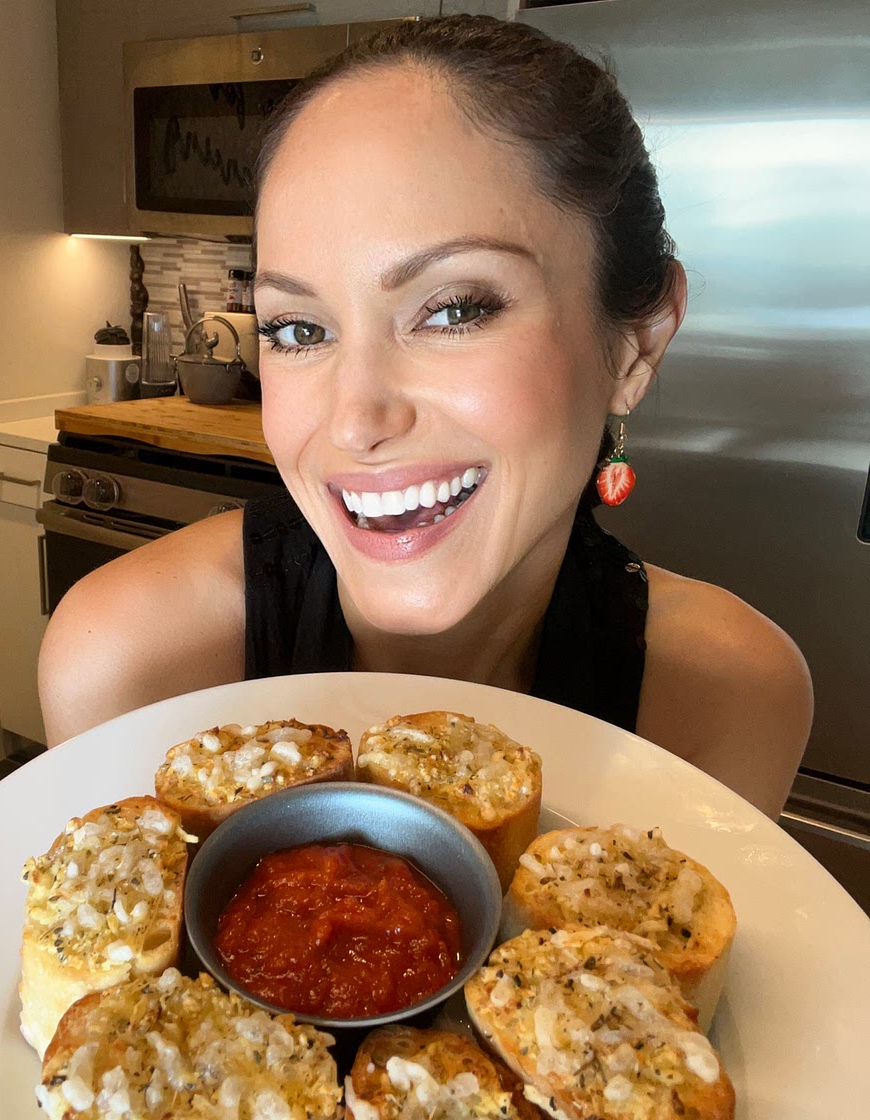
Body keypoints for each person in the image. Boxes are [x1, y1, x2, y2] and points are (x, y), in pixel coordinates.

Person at [39, 16, 811, 819]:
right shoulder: (130, 664)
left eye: (453, 311)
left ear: (634, 348)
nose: (356, 419)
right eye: (298, 330)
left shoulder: (728, 699)